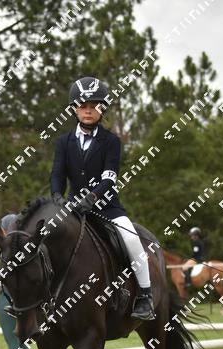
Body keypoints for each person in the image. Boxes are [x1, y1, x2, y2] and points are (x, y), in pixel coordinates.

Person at [49, 76, 155, 320]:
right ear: (75, 109)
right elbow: (57, 174)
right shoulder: (63, 142)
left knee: (131, 238)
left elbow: (109, 177)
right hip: (73, 209)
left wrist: (93, 197)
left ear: (102, 109)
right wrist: (56, 195)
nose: (88, 110)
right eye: (83, 106)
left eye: (94, 106)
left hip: (107, 208)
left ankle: (145, 295)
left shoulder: (111, 141)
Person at [0, 213, 30, 349]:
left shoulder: (7, 248)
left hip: (8, 295)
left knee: (12, 341)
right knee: (23, 342)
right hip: (26, 298)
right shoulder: (27, 247)